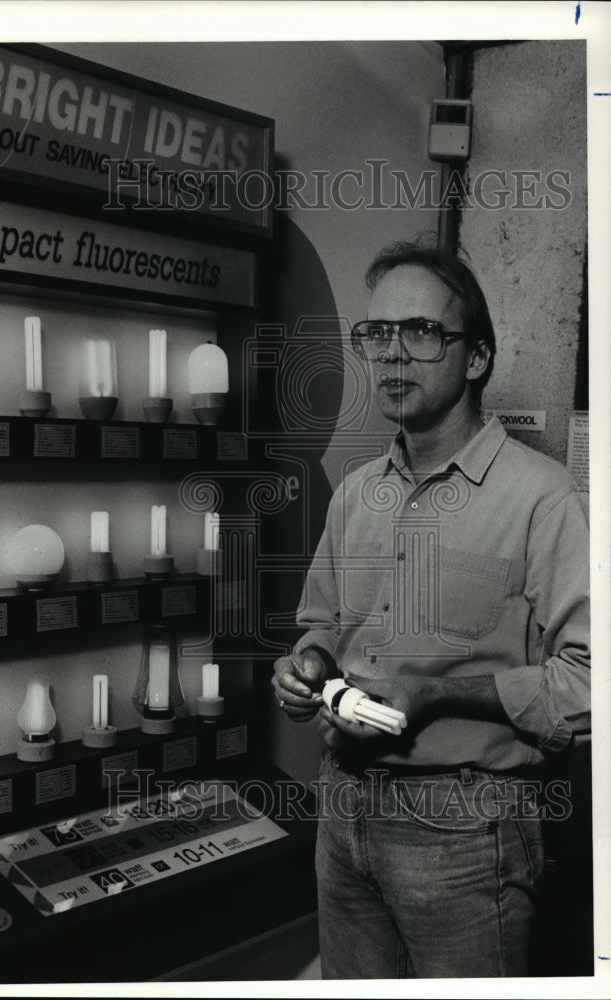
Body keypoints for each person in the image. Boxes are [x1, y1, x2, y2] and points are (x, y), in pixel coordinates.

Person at [271, 241, 590, 979]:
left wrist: (443, 694)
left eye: (420, 332)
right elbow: (321, 622)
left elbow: (590, 683)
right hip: (344, 808)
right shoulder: (356, 492)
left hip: (467, 830)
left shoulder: (541, 498)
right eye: (377, 335)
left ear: (475, 357)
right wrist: (309, 665)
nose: (392, 356)